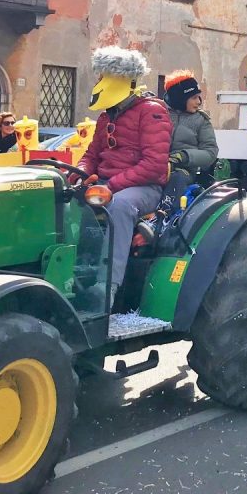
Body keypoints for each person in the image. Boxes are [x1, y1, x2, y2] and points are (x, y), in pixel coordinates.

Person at [79, 47, 173, 304]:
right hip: (107, 185)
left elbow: (154, 165)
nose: (98, 82)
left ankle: (106, 288)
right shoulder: (105, 118)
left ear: (119, 79)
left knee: (119, 206)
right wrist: (79, 173)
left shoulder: (152, 112)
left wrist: (112, 186)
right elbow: (91, 156)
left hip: (144, 189)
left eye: (102, 77)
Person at [162, 69, 219, 183]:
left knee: (177, 179)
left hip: (183, 171)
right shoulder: (158, 113)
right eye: (194, 98)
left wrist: (184, 156)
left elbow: (211, 152)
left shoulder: (201, 120)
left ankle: (170, 202)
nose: (199, 102)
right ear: (180, 99)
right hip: (155, 167)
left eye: (199, 97)